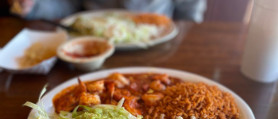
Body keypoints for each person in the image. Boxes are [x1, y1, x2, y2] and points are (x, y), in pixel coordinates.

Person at [10, 0, 206, 22]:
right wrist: (34, 6)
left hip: (158, 45)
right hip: (94, 41)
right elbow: (69, 5)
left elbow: (189, 8)